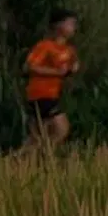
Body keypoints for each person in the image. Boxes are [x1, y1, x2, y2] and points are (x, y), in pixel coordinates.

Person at [21, 10, 81, 151]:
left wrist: (72, 69)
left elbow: (72, 66)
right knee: (61, 129)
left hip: (53, 94)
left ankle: (20, 160)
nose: (73, 28)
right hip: (41, 93)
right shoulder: (45, 46)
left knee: (38, 137)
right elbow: (29, 67)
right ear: (58, 26)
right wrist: (56, 72)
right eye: (70, 24)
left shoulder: (68, 49)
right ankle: (43, 154)